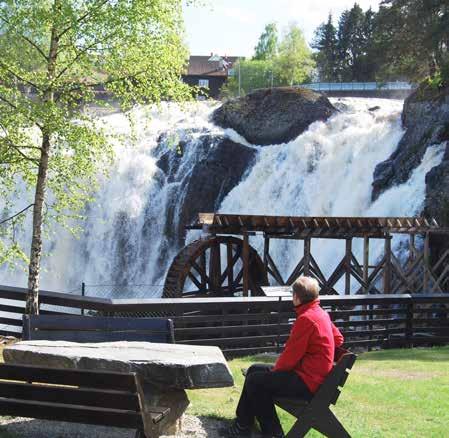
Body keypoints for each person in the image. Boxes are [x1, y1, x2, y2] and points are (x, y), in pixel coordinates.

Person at [223, 276, 344, 438]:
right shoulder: (320, 313)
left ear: (296, 297)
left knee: (256, 381)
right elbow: (339, 339)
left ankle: (272, 433)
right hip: (315, 378)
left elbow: (290, 357)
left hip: (307, 382)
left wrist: (275, 371)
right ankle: (243, 424)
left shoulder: (306, 318)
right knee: (254, 370)